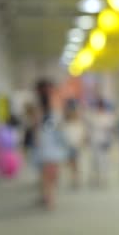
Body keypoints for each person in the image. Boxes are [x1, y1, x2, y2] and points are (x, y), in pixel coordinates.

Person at [34, 81, 66, 210]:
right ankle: (49, 197)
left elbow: (60, 127)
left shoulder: (56, 111)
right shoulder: (40, 112)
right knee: (47, 173)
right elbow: (36, 128)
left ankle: (48, 195)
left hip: (54, 145)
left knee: (53, 173)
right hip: (46, 145)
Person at [88, 98, 115, 187]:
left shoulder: (108, 116)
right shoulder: (93, 116)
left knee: (104, 160)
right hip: (95, 141)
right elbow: (90, 128)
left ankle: (104, 178)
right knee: (95, 160)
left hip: (104, 141)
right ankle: (97, 178)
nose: (100, 108)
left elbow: (111, 129)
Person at [61, 99, 85, 189]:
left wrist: (81, 142)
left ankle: (76, 180)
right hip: (68, 146)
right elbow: (63, 134)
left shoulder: (78, 122)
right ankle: (73, 179)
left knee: (76, 164)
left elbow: (82, 134)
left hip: (76, 146)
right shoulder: (65, 123)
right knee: (70, 164)